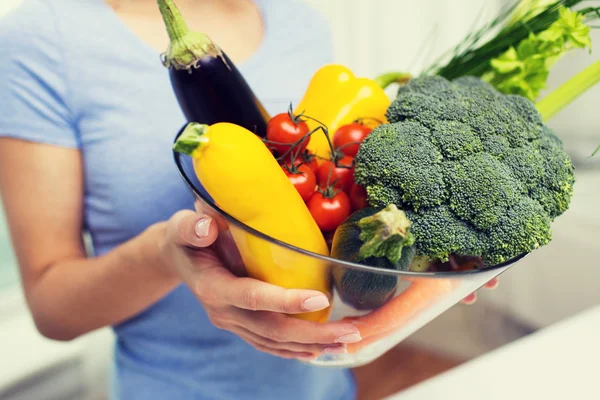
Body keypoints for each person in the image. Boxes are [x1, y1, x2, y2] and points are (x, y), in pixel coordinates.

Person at [0, 0, 495, 399]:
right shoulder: (42, 41)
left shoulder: (300, 19)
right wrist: (166, 255)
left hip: (328, 384)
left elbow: (336, 209)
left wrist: (434, 257)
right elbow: (51, 309)